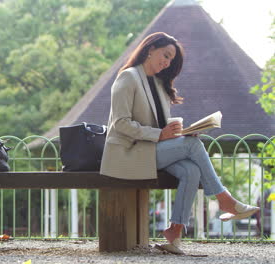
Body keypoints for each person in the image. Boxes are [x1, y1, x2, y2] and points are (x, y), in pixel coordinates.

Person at [100, 32, 259, 254]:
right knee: (193, 147)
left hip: (150, 149)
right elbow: (120, 124)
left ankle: (174, 234)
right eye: (165, 55)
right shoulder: (128, 77)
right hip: (128, 154)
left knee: (192, 171)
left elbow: (162, 129)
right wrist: (161, 135)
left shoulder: (157, 84)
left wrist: (184, 133)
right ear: (150, 49)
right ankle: (224, 199)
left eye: (170, 60)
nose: (166, 63)